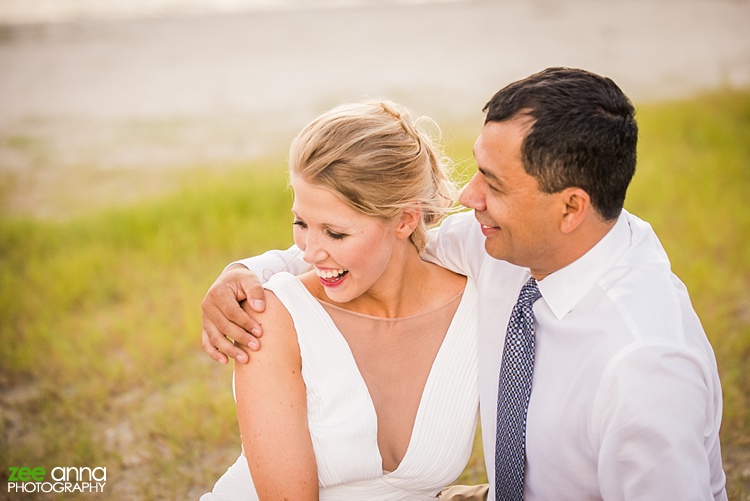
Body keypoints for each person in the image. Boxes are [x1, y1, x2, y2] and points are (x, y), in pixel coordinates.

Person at [202, 68, 727, 500]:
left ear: (570, 207)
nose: (464, 197)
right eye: (476, 170)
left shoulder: (644, 363)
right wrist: (248, 271)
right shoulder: (493, 247)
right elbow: (369, 246)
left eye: (492, 184)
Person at [201, 100, 480, 500]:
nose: (310, 253)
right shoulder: (276, 317)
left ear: (404, 219)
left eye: (335, 233)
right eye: (301, 223)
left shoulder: (475, 306)